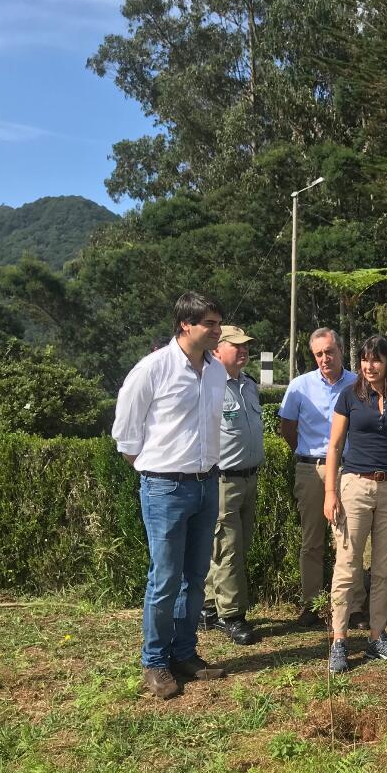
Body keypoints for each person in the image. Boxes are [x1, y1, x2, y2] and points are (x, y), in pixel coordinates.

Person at [112, 292, 228, 699]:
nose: (217, 331)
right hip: (165, 487)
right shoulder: (152, 369)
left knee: (195, 577)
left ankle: (184, 653)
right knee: (164, 578)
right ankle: (155, 662)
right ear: (185, 324)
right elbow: (126, 435)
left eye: (218, 323)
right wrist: (156, 471)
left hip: (206, 483)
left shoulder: (216, 371)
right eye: (209, 323)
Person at [323, 335, 387, 673]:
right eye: (365, 359)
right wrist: (330, 492)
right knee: (347, 565)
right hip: (355, 486)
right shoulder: (349, 395)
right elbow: (335, 446)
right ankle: (339, 640)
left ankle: (376, 637)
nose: (369, 366)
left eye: (376, 359)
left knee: (384, 570)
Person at [278, 328, 357, 627]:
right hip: (311, 469)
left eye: (329, 352)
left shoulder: (357, 383)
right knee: (311, 541)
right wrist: (306, 454)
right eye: (319, 354)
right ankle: (311, 604)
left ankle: (352, 606)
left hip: (349, 470)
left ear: (340, 350)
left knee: (348, 539)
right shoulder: (300, 386)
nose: (325, 358)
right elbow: (287, 427)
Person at [200, 325, 265, 645]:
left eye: (246, 345)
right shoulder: (209, 385)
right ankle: (232, 616)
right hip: (223, 480)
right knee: (228, 549)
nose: (244, 350)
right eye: (236, 345)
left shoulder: (249, 385)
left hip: (248, 478)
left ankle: (209, 606)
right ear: (216, 350)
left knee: (236, 546)